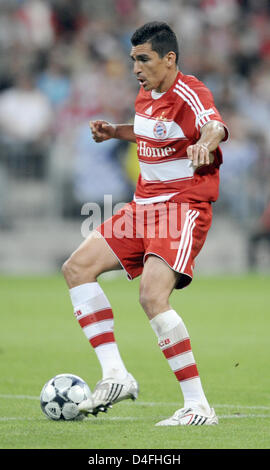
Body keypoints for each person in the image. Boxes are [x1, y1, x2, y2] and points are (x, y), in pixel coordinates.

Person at [62, 21, 228, 426]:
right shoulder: (145, 94)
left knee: (153, 297)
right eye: (133, 59)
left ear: (169, 59)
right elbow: (151, 135)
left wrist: (205, 144)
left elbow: (214, 125)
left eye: (144, 59)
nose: (136, 67)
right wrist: (114, 132)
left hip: (181, 206)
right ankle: (116, 375)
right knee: (77, 269)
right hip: (142, 207)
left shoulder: (189, 89)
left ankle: (198, 407)